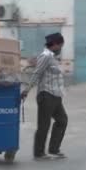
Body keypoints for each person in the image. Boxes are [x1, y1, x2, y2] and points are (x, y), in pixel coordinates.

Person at [21, 32, 68, 160]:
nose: (61, 49)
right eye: (60, 46)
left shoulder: (53, 57)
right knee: (44, 125)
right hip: (46, 95)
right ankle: (39, 152)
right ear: (54, 45)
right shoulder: (45, 56)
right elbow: (37, 73)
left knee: (62, 120)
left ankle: (53, 149)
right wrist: (27, 90)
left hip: (56, 96)